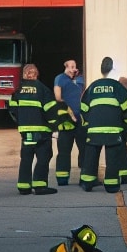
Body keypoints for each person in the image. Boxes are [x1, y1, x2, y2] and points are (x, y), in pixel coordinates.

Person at [79, 57, 127, 193]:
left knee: (91, 157)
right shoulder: (118, 87)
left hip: (94, 130)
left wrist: (87, 124)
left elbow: (83, 107)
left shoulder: (93, 86)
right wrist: (126, 125)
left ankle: (87, 182)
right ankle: (111, 185)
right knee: (112, 158)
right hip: (113, 130)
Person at [8, 62, 60, 196]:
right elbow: (51, 110)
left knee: (26, 157)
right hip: (42, 131)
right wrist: (54, 126)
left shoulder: (18, 90)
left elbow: (12, 109)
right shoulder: (42, 89)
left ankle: (24, 186)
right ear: (36, 74)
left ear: (25, 75)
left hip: (26, 131)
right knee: (43, 156)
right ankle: (40, 186)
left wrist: (21, 123)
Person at [53, 58, 86, 186]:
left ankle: (85, 176)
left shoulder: (81, 79)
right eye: (70, 66)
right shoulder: (60, 78)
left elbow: (85, 94)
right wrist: (69, 111)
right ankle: (62, 178)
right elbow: (57, 97)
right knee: (64, 150)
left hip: (80, 119)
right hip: (66, 119)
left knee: (84, 149)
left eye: (74, 66)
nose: (73, 69)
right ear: (65, 67)